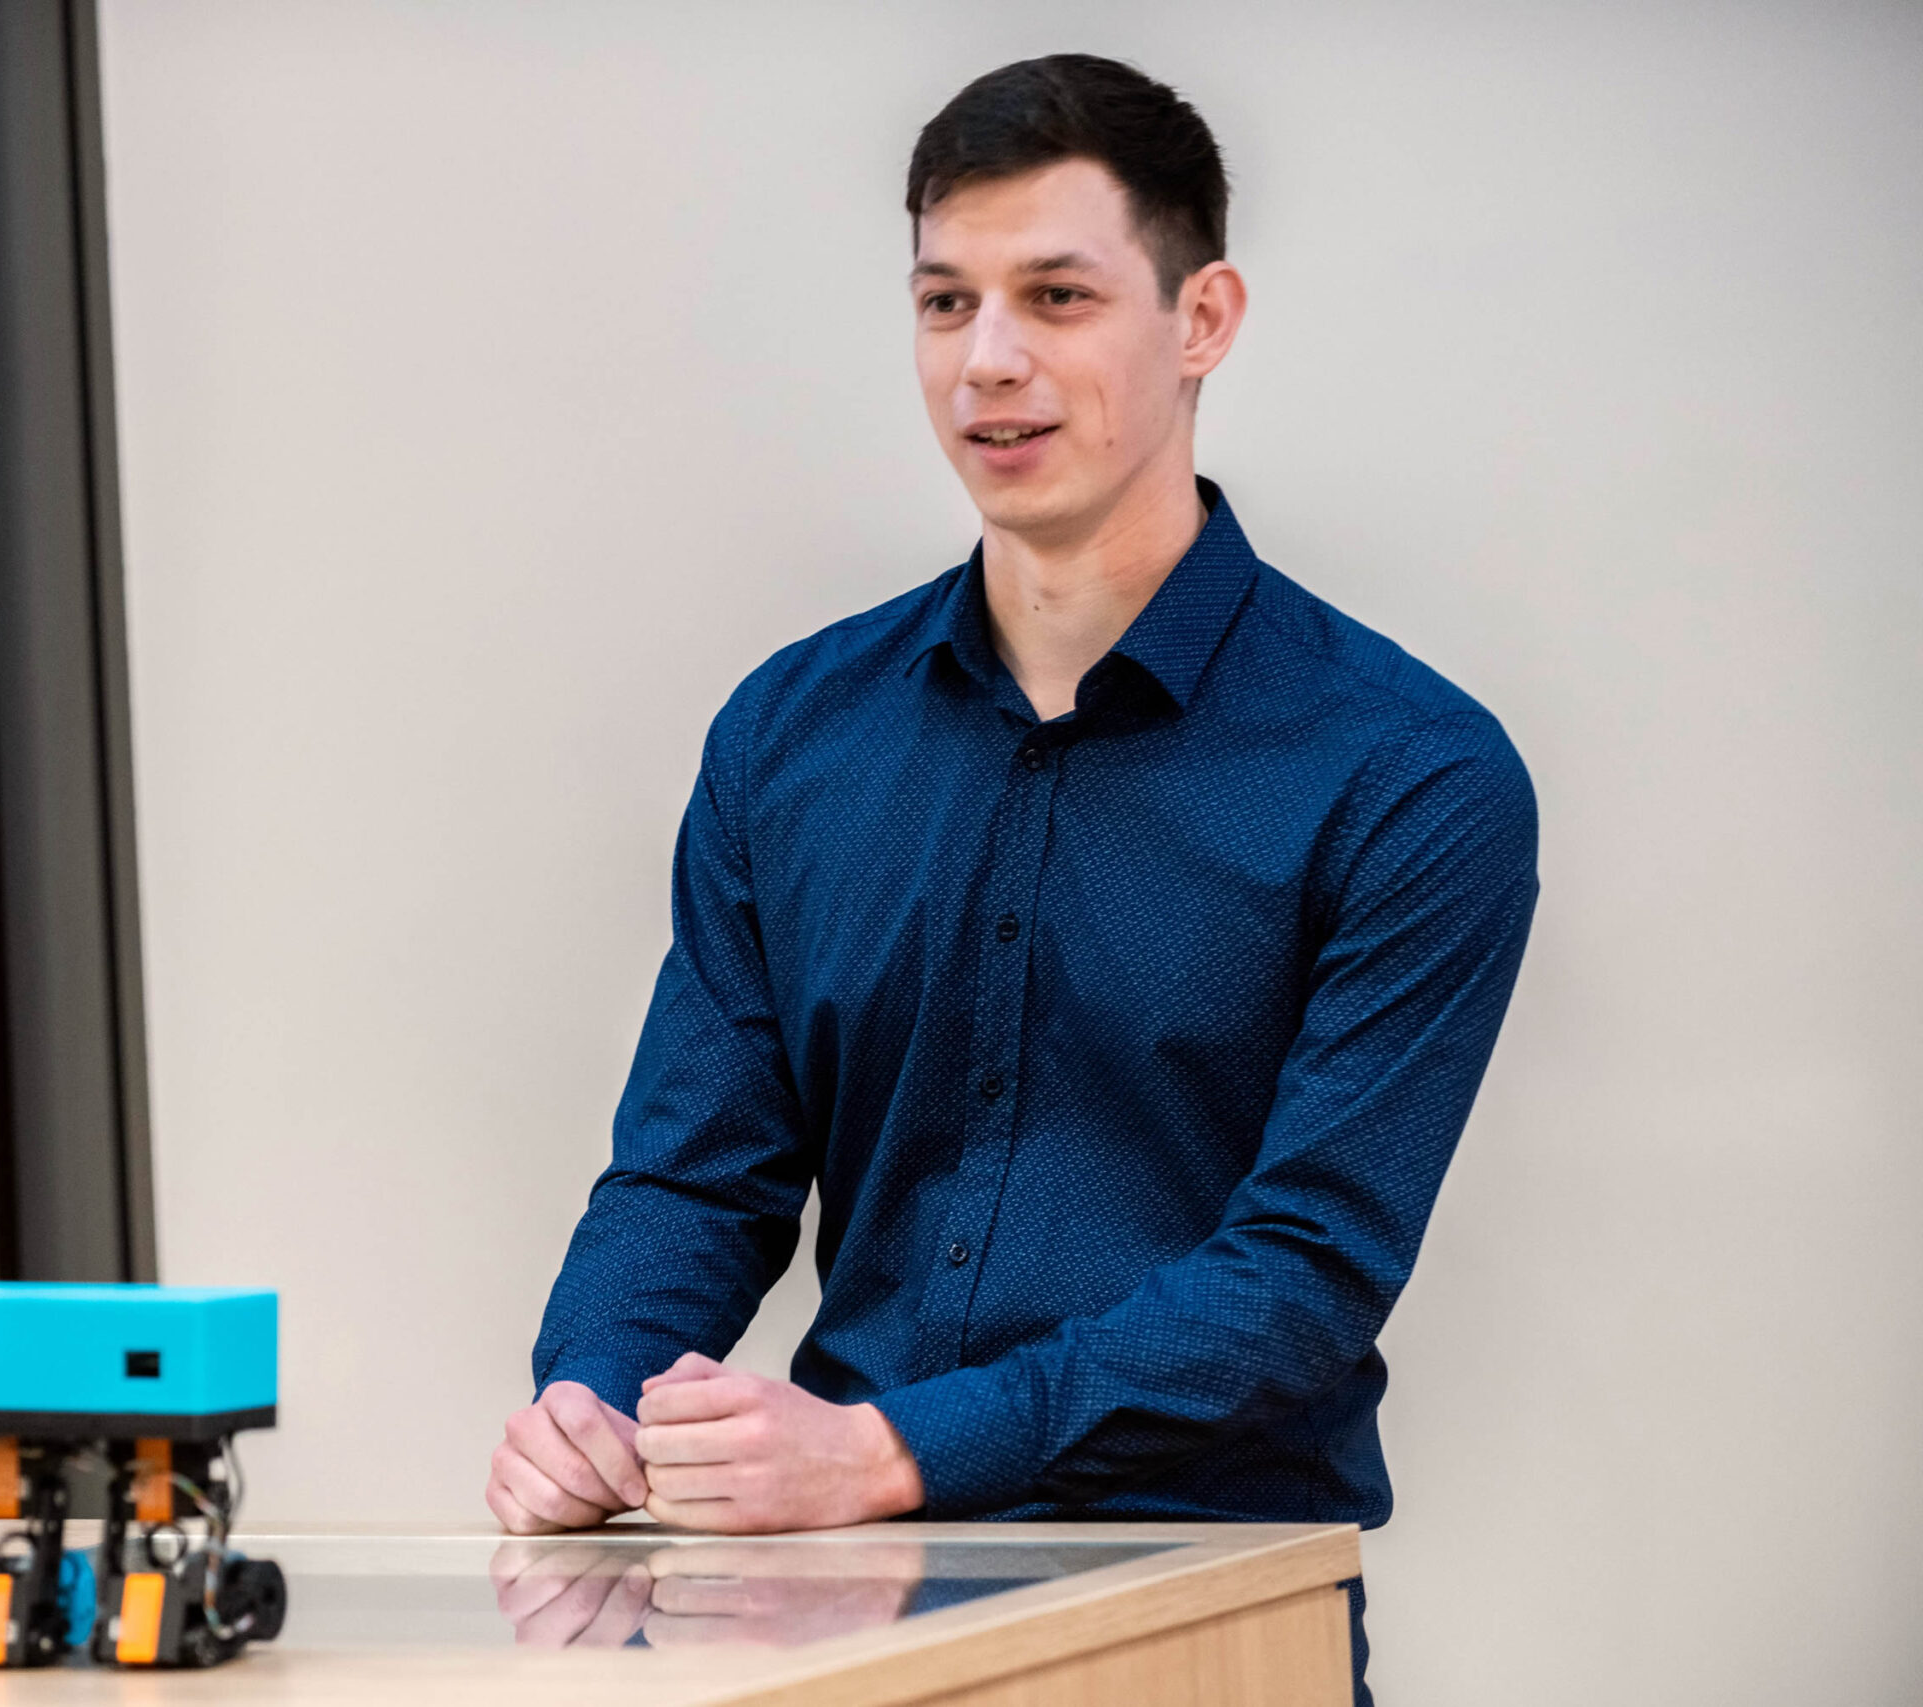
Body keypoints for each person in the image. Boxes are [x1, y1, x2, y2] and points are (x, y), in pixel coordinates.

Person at [486, 53, 1538, 1702]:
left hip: (1200, 1621)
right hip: (826, 1616)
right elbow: (696, 1178)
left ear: (1202, 319)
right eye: (944, 301)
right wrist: (590, 1398)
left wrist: (886, 1449)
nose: (988, 361)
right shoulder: (789, 736)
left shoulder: (1410, 775)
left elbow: (1303, 1277)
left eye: (1057, 296)